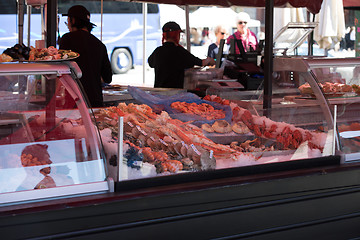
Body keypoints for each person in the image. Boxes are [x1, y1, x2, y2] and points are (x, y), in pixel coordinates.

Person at [59, 5, 112, 108]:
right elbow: (108, 78)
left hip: (74, 101)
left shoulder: (67, 39)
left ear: (73, 20)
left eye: (67, 22)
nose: (68, 26)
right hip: (95, 101)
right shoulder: (100, 45)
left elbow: (61, 69)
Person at [148, 21, 215, 89]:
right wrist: (211, 60)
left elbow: (150, 63)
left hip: (158, 93)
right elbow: (201, 62)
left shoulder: (157, 51)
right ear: (176, 35)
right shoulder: (180, 51)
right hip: (175, 94)